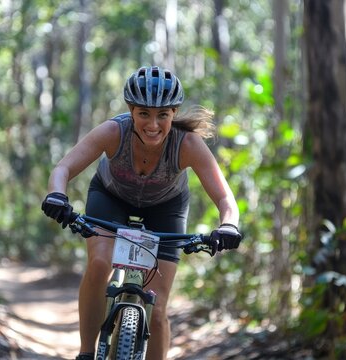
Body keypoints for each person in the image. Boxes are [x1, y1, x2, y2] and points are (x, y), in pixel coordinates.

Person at [42, 66, 242, 360]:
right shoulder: (114, 131)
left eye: (163, 115)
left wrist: (228, 225)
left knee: (158, 308)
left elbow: (225, 197)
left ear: (174, 113)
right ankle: (86, 353)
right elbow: (64, 168)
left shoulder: (187, 144)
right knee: (99, 264)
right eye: (144, 113)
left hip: (166, 207)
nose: (153, 124)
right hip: (111, 197)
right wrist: (57, 194)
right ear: (131, 110)